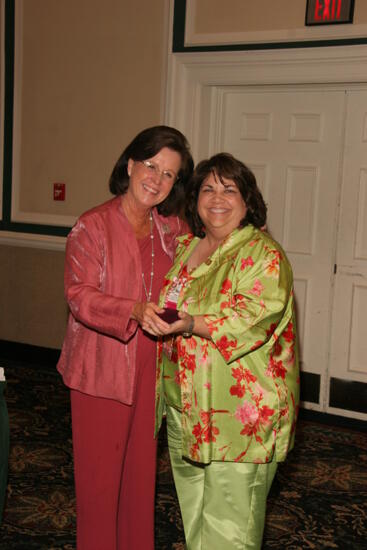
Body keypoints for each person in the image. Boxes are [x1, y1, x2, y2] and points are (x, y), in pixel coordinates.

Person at [56, 125, 193, 550]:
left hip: (151, 369)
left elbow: (197, 269)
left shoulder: (171, 228)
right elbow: (79, 296)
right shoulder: (92, 225)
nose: (157, 179)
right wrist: (132, 309)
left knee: (139, 483)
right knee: (101, 488)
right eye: (151, 165)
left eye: (169, 173)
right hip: (102, 369)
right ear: (131, 164)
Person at [154, 153, 300, 550]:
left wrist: (190, 323)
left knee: (230, 530)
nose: (217, 198)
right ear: (195, 199)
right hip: (188, 407)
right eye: (208, 189)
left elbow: (250, 318)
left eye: (229, 189)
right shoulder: (188, 247)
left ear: (248, 201)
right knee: (198, 520)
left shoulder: (263, 254)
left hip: (241, 418)